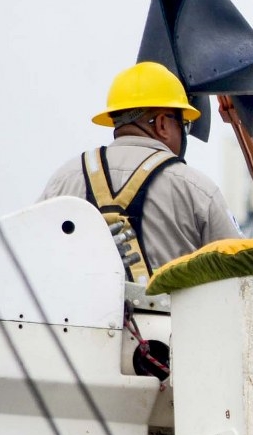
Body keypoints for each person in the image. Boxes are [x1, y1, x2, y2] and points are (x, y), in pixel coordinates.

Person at [40, 61, 241, 282]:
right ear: (162, 124)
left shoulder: (63, 181)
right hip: (172, 316)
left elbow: (33, 254)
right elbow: (239, 272)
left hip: (78, 316)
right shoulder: (195, 189)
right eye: (184, 125)